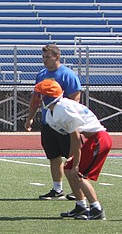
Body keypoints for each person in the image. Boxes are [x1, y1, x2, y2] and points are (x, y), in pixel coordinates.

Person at [34, 79, 112, 220]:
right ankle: (81, 205)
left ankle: (96, 209)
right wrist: (72, 159)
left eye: (40, 94)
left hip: (97, 139)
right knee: (68, 169)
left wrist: (76, 163)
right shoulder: (54, 112)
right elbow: (74, 137)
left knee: (77, 173)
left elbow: (76, 137)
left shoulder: (62, 108)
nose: (37, 98)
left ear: (48, 96)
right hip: (90, 139)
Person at [24, 44, 82, 200]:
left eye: (47, 57)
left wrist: (67, 118)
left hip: (64, 123)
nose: (44, 60)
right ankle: (57, 189)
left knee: (72, 156)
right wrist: (30, 118)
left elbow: (75, 98)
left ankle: (77, 190)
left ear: (57, 57)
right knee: (53, 156)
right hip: (48, 123)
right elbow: (35, 99)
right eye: (43, 57)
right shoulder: (41, 74)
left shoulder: (67, 74)